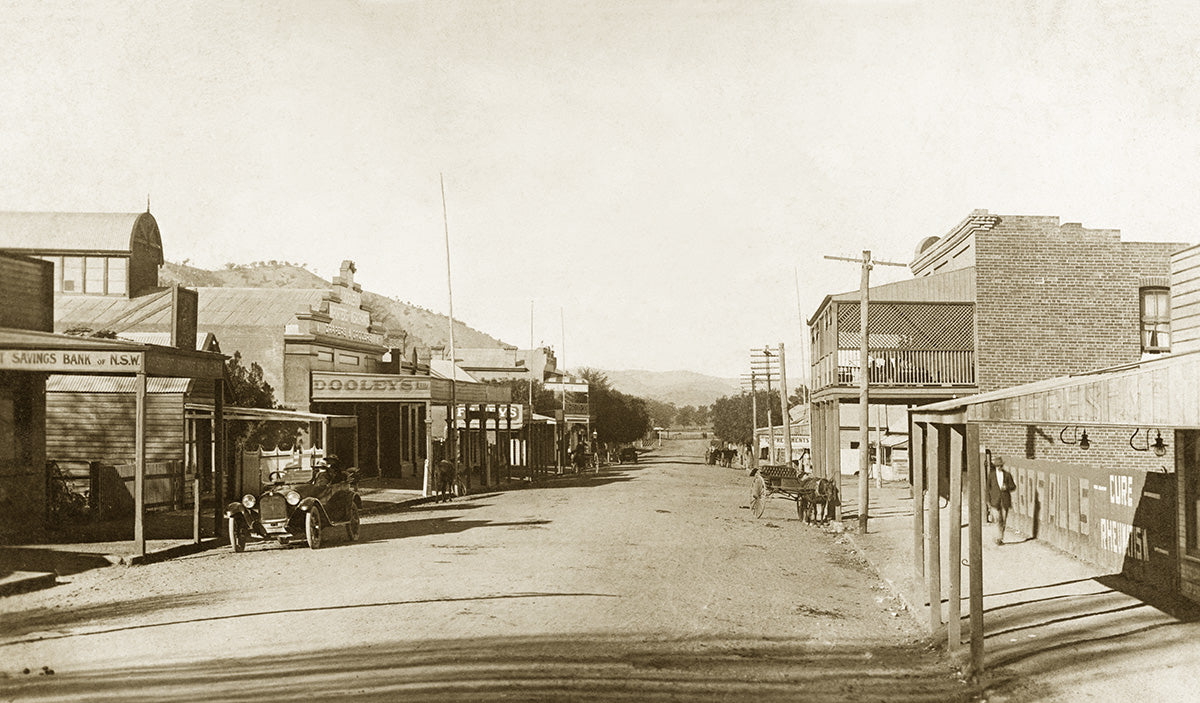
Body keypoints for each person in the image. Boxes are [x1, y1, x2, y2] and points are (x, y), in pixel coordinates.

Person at [987, 455, 1016, 546]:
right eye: (997, 466)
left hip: (1005, 500)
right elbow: (987, 489)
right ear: (995, 466)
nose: (999, 467)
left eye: (1000, 465)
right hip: (994, 501)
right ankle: (998, 537)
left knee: (1003, 520)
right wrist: (988, 501)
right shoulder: (991, 475)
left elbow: (1013, 486)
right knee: (997, 519)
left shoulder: (1007, 475)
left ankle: (1000, 537)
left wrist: (1007, 487)